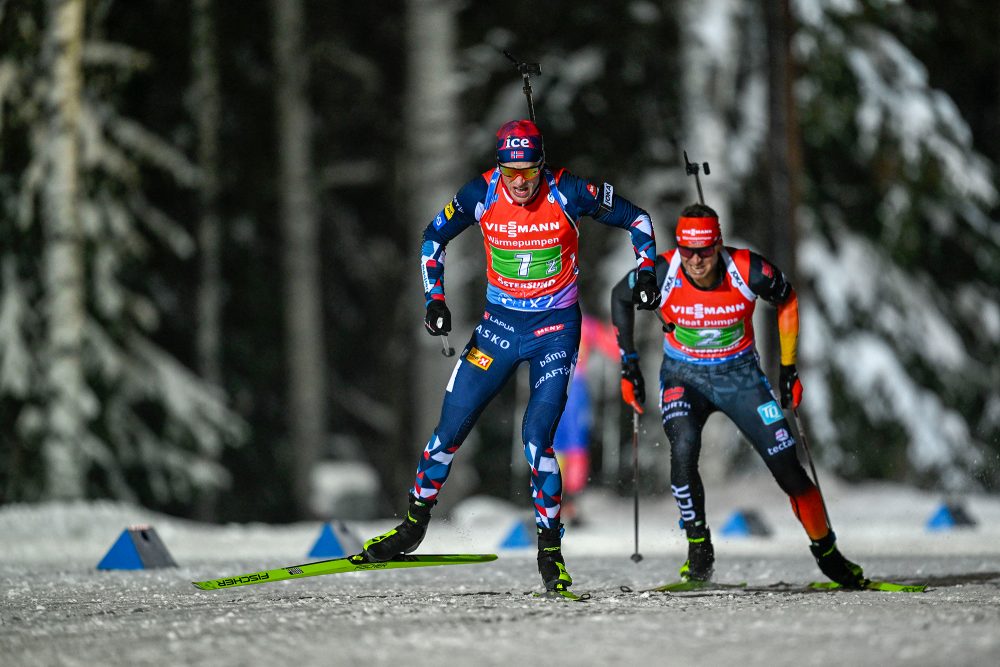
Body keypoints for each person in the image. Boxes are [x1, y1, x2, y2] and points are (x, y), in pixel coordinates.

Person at [363, 120, 661, 593]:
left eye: (528, 170)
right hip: (497, 331)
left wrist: (647, 270)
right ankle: (413, 527)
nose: (519, 181)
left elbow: (638, 219)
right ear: (498, 165)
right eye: (510, 170)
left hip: (554, 333)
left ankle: (550, 555)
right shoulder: (480, 192)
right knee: (446, 433)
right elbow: (431, 240)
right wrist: (434, 300)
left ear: (541, 164)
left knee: (536, 439)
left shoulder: (570, 190)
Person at [609, 203, 868, 588]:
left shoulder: (748, 270)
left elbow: (787, 299)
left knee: (788, 470)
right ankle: (699, 546)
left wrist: (788, 368)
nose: (696, 261)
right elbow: (619, 297)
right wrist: (629, 365)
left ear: (719, 245)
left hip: (741, 379)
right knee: (683, 449)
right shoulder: (662, 271)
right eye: (687, 250)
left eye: (705, 250)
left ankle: (828, 553)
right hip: (684, 378)